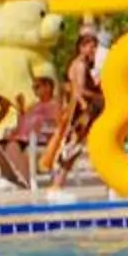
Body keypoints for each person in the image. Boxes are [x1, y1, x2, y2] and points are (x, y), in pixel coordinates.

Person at [51, 28, 104, 185]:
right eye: (88, 46)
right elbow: (80, 91)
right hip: (80, 112)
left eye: (94, 46)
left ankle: (58, 184)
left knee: (73, 149)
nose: (92, 49)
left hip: (79, 111)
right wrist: (99, 96)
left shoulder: (80, 64)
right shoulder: (80, 65)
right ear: (80, 47)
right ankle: (56, 184)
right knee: (71, 148)